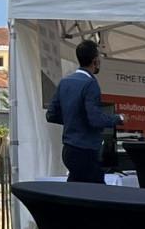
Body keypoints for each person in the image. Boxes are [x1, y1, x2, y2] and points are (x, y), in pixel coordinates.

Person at [44, 39, 124, 183]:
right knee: (96, 193)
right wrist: (118, 119)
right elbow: (95, 119)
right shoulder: (90, 84)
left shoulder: (64, 82)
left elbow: (51, 115)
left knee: (76, 190)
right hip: (86, 150)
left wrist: (72, 119)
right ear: (95, 61)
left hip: (68, 150)